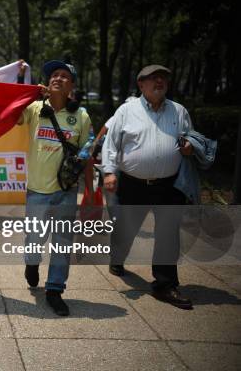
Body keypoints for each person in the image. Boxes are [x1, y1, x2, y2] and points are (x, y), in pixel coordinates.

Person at [102, 64, 194, 310]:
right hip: (133, 184)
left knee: (167, 234)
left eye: (163, 78)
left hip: (169, 185)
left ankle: (165, 284)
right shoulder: (126, 110)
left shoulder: (179, 111)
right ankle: (117, 257)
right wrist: (109, 171)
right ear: (141, 84)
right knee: (127, 228)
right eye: (153, 78)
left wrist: (189, 147)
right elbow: (111, 143)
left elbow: (189, 139)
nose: (159, 82)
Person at [17, 60, 94, 316]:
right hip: (37, 190)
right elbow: (13, 113)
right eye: (53, 75)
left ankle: (54, 290)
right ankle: (32, 263)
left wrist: (79, 159)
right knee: (34, 239)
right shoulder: (34, 108)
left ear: (71, 85)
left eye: (64, 76)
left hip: (66, 191)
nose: (57, 78)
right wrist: (22, 86)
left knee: (62, 242)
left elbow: (90, 144)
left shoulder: (81, 115)